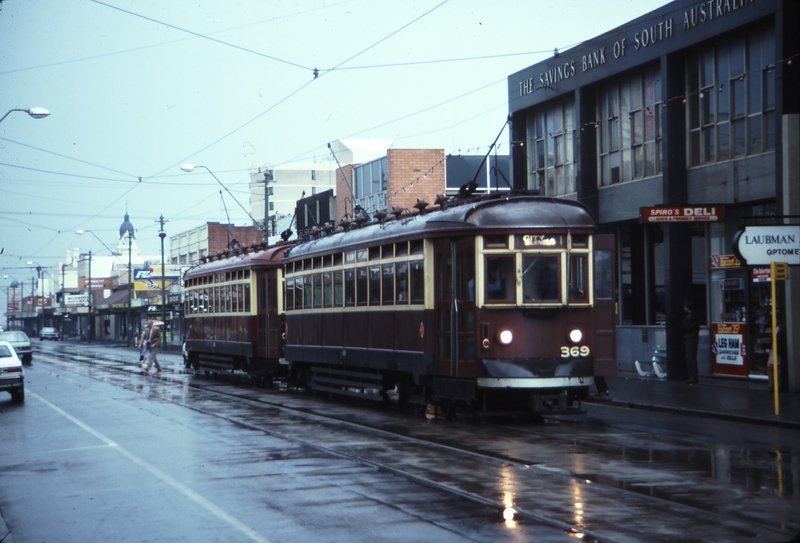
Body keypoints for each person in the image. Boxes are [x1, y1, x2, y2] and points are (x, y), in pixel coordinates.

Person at [682, 300, 700, 384]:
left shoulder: (690, 317)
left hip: (690, 337)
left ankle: (692, 376)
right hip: (692, 337)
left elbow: (685, 327)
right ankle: (693, 376)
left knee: (690, 357)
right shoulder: (695, 316)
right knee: (691, 356)